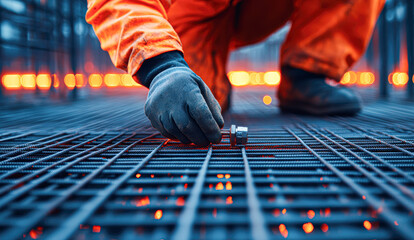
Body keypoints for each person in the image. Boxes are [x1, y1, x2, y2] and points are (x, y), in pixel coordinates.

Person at [86, 0, 385, 146]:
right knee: (197, 103)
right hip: (193, 11)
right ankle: (197, 73)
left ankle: (307, 72)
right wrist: (161, 65)